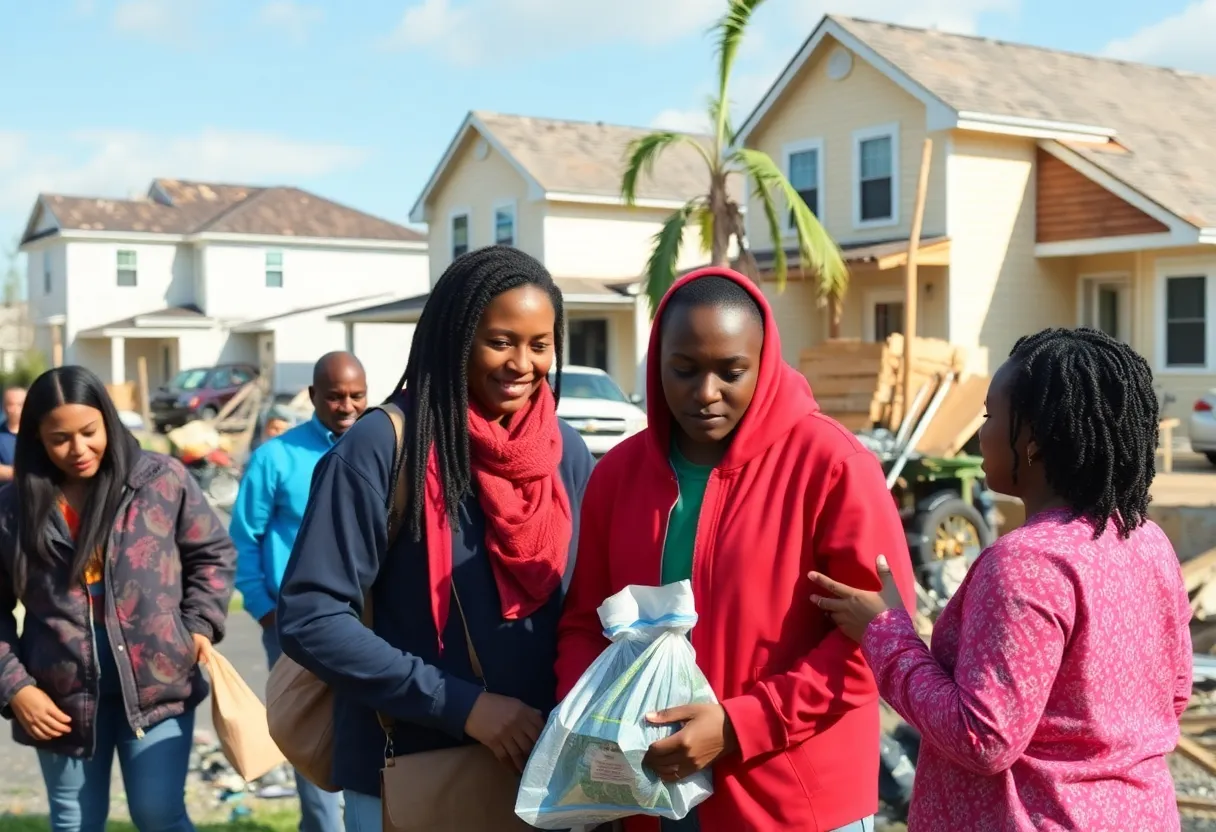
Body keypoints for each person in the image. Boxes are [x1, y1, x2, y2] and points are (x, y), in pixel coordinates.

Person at [555, 268, 917, 832]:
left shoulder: (831, 467)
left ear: (765, 364)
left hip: (788, 803)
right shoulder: (618, 477)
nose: (705, 393)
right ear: (657, 366)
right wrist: (594, 727)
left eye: (731, 372)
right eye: (684, 370)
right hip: (647, 797)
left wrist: (740, 725)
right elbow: (583, 625)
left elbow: (878, 640)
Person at [809, 327, 1191, 831]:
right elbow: (1176, 691)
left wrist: (885, 632)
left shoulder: (1025, 564)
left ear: (1031, 440)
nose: (979, 433)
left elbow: (983, 737)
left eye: (990, 416)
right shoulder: (1145, 541)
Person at [276, 246, 595, 832]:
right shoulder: (383, 447)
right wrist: (464, 707)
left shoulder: (565, 452)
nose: (522, 363)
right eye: (500, 340)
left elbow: (587, 605)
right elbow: (310, 616)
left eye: (540, 344)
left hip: (545, 778)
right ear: (455, 337)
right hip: (410, 774)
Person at [0, 365, 235, 832]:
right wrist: (16, 687)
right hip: (58, 701)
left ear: (108, 419)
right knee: (74, 821)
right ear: (36, 440)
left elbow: (212, 554)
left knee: (159, 815)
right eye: (59, 438)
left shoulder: (160, 481)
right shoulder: (14, 508)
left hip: (159, 687)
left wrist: (199, 625)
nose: (78, 449)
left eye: (89, 432)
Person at [230, 352, 368, 832]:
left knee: (372, 731)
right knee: (310, 728)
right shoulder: (275, 458)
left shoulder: (384, 451)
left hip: (371, 625)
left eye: (356, 395)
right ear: (312, 397)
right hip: (297, 627)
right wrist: (265, 608)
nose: (346, 406)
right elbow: (243, 538)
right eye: (334, 395)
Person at [0, 385, 26, 483]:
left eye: (20, 404)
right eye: (10, 404)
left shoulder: (38, 434)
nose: (14, 409)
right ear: (3, 406)